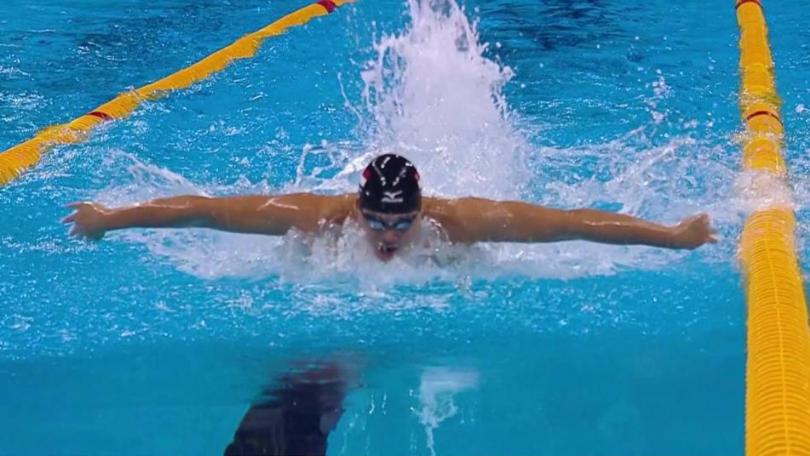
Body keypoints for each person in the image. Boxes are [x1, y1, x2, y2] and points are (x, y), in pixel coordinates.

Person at [63, 154, 716, 261]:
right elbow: (204, 210)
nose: (390, 234)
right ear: (358, 204)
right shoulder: (318, 216)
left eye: (402, 221)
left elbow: (574, 225)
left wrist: (674, 235)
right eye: (378, 220)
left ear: (422, 207)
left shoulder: (462, 220)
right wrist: (109, 219)